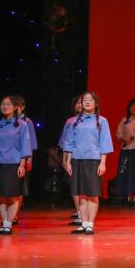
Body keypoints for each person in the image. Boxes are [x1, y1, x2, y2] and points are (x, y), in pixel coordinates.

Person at [62, 91, 114, 235]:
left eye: (90, 100)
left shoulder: (102, 121)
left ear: (96, 103)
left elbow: (105, 143)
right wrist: (68, 161)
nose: (87, 102)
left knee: (92, 194)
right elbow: (69, 143)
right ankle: (84, 223)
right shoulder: (75, 121)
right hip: (77, 160)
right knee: (81, 194)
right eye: (84, 100)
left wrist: (103, 163)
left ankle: (90, 224)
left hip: (93, 160)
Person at [0, 95, 32, 235]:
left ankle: (9, 225)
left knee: (12, 195)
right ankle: (5, 224)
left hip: (14, 163)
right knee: (1, 195)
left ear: (15, 107)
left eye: (8, 104)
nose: (5, 106)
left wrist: (22, 165)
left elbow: (25, 146)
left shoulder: (22, 125)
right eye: (3, 104)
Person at [114, 98, 135, 205]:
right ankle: (128, 196)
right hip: (127, 151)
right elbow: (118, 135)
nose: (133, 108)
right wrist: (125, 140)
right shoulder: (124, 120)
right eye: (131, 106)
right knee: (127, 173)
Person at [58, 95, 83, 226]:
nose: (80, 104)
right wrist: (64, 159)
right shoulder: (70, 121)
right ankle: (79, 213)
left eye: (82, 102)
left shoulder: (95, 121)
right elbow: (65, 141)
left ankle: (84, 215)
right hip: (72, 157)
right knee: (74, 186)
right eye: (78, 102)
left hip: (87, 157)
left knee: (84, 188)